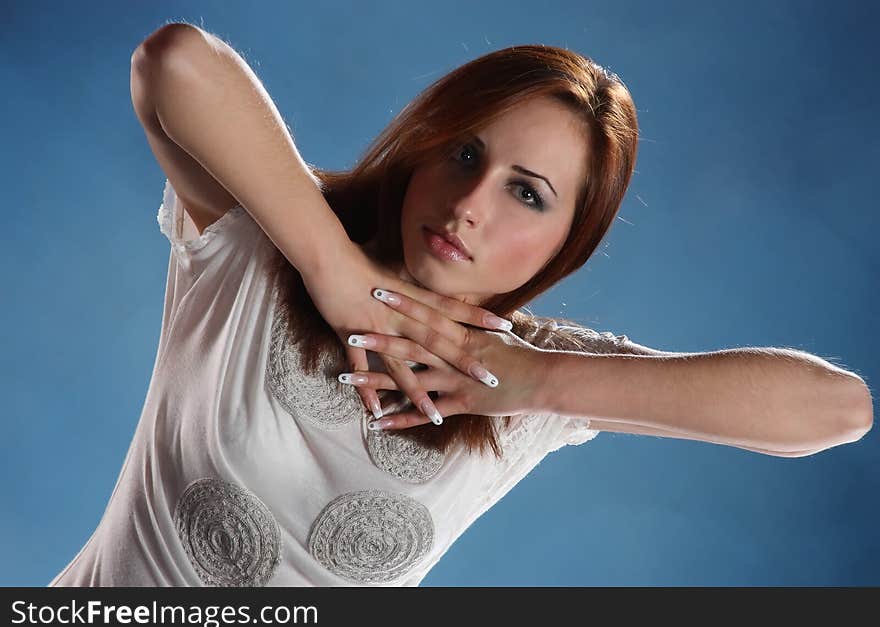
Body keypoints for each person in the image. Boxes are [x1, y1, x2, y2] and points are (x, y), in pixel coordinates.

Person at [48, 23, 873, 587]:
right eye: (466, 152)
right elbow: (174, 62)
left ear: (566, 243)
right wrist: (334, 270)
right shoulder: (263, 242)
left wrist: (541, 380)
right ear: (425, 144)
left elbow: (838, 408)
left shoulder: (532, 377)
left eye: (527, 192)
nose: (472, 201)